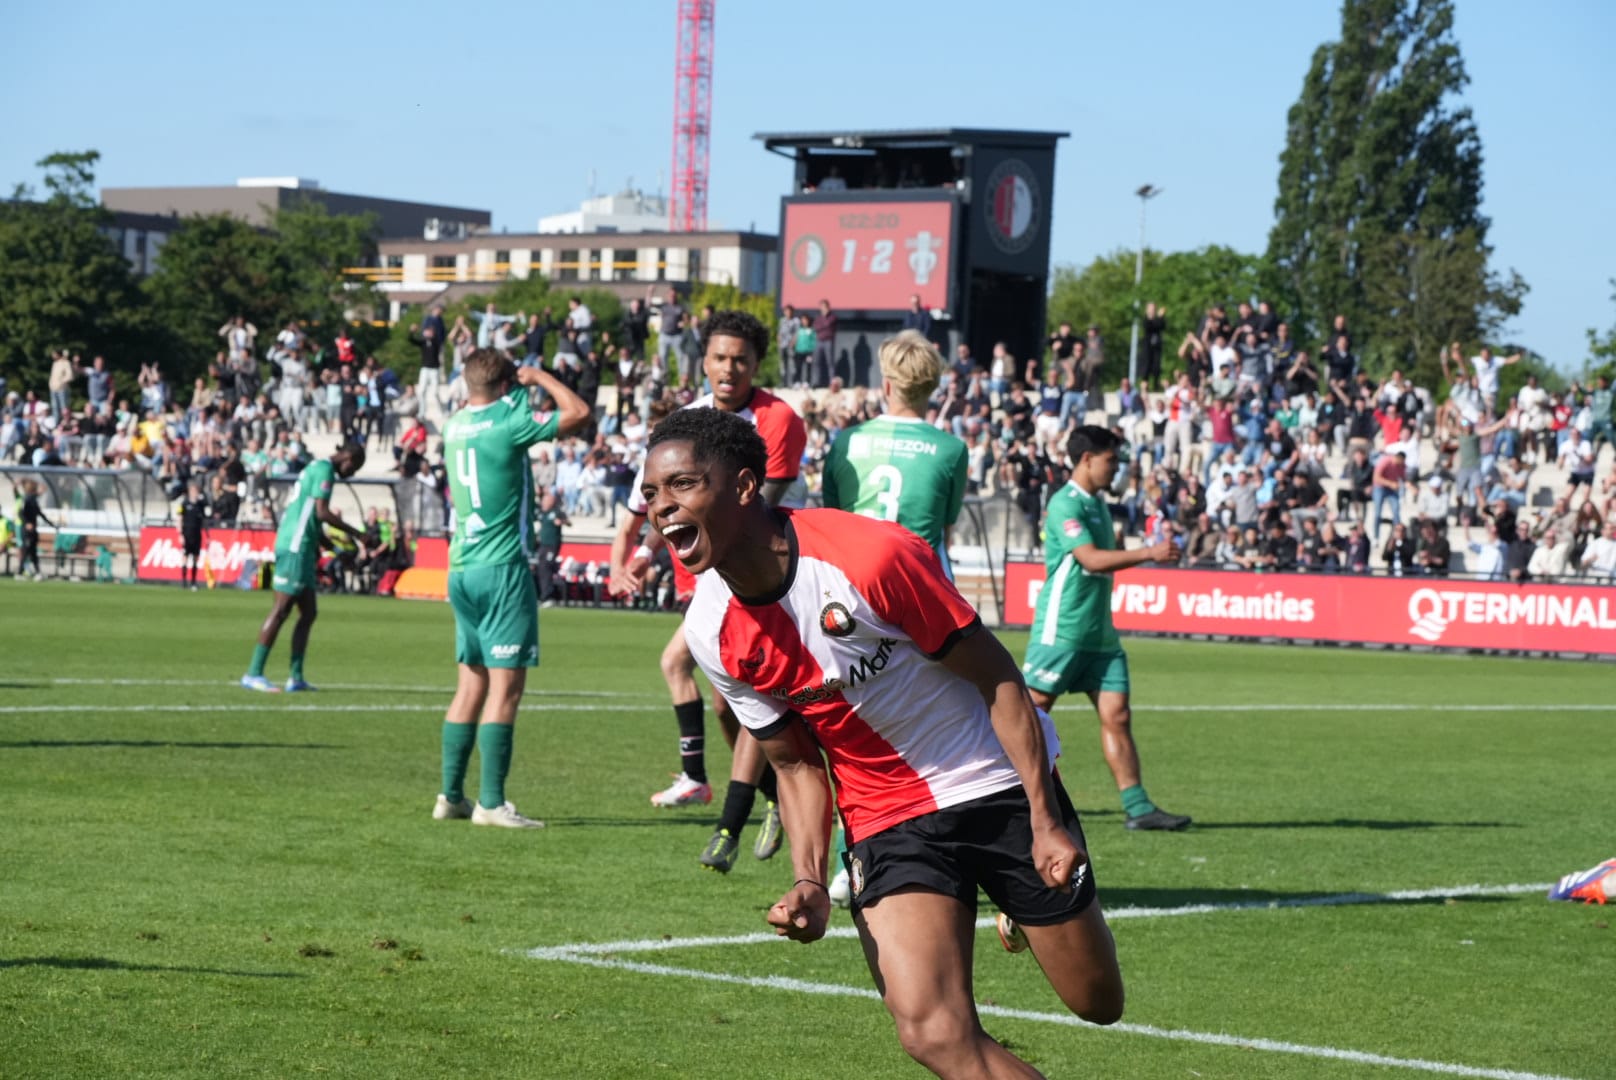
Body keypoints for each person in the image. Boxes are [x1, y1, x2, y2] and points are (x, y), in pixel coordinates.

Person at [641, 407, 1124, 1076]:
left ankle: (1018, 905)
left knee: (1097, 1001)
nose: (662, 508)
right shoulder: (711, 630)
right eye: (650, 493)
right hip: (887, 817)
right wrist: (809, 878)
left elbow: (1000, 681)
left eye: (682, 486)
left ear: (745, 486)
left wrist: (1045, 819)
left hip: (994, 782)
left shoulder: (870, 557)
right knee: (932, 1031)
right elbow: (796, 766)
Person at [607, 311, 807, 871]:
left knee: (695, 671)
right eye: (720, 356)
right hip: (703, 575)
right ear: (704, 360)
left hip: (756, 575)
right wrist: (645, 554)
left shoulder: (778, 419)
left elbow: (752, 505)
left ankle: (727, 809)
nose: (729, 368)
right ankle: (771, 795)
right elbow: (665, 498)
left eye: (740, 359)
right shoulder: (686, 419)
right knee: (729, 705)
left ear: (756, 365)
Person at [819, 329, 968, 902]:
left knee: (853, 733)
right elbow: (944, 523)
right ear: (933, 388)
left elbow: (830, 519)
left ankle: (848, 863)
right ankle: (950, 850)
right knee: (942, 726)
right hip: (925, 597)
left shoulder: (848, 441)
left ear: (884, 385)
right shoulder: (951, 449)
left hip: (853, 597)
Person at [433, 350, 591, 829]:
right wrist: (540, 376)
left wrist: (512, 389)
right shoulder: (509, 421)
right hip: (502, 567)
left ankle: (450, 795)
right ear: (507, 384)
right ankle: (491, 802)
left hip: (461, 567)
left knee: (470, 683)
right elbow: (579, 414)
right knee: (506, 687)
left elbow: (492, 405)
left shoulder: (454, 425)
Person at [1021, 426, 1191, 831]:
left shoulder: (1097, 504)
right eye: (1110, 461)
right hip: (1062, 631)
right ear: (1086, 459)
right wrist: (1150, 552)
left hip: (1100, 634)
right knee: (1030, 716)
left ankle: (1138, 807)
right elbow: (1091, 559)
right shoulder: (1065, 504)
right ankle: (1006, 800)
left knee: (1117, 715)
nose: (1115, 470)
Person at [240, 443, 368, 692]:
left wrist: (338, 550)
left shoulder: (315, 467)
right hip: (295, 547)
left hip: (304, 546)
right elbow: (321, 513)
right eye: (355, 467)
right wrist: (358, 535)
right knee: (281, 610)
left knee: (308, 612)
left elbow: (313, 521)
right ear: (349, 457)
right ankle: (253, 672)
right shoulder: (325, 470)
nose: (352, 473)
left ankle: (295, 677)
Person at [177, 479, 209, 590]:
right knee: (185, 557)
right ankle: (184, 582)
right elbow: (179, 518)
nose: (194, 493)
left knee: (196, 558)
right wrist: (180, 534)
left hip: (197, 534)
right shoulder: (184, 504)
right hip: (187, 534)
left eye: (196, 491)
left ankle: (193, 582)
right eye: (192, 491)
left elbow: (204, 521)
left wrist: (207, 535)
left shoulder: (200, 505)